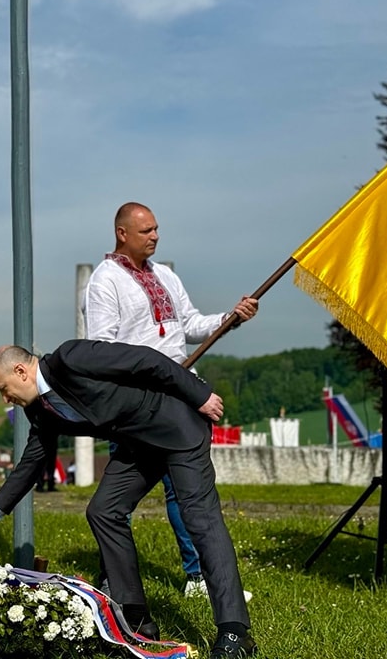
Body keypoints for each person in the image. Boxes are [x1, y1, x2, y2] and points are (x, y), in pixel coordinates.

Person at [0, 342, 258, 659]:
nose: (5, 399)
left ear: (20, 371)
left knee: (199, 519)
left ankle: (235, 632)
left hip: (176, 428)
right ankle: (136, 623)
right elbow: (33, 461)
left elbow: (146, 360)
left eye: (4, 389)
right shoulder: (39, 407)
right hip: (137, 445)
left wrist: (200, 395)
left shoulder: (71, 359)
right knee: (103, 511)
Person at [84, 201, 258, 600]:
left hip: (182, 397)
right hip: (138, 405)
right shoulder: (105, 281)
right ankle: (113, 580)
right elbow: (103, 351)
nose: (155, 236)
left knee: (187, 493)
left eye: (157, 229)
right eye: (146, 231)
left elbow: (191, 326)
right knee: (115, 503)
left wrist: (229, 318)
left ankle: (198, 576)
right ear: (122, 234)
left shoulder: (164, 275)